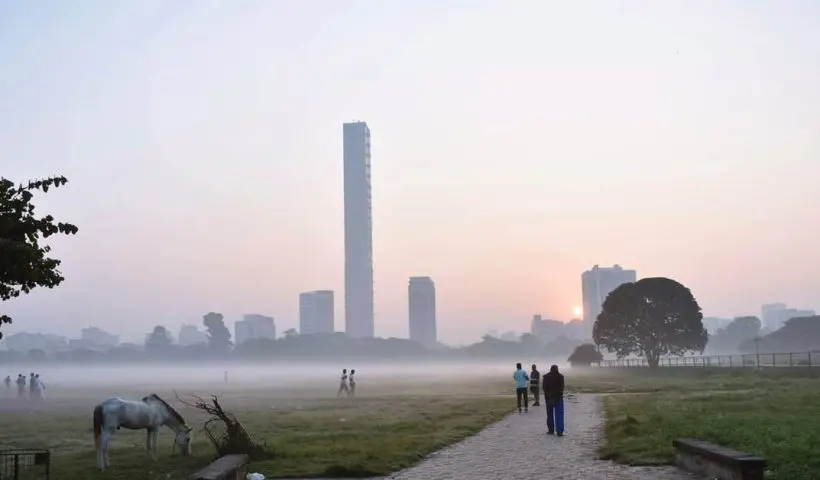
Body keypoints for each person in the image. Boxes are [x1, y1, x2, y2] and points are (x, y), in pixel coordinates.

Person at [542, 364, 565, 436]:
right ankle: (559, 431)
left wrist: (547, 396)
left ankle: (551, 430)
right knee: (559, 415)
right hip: (558, 398)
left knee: (550, 415)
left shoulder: (546, 377)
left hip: (549, 398)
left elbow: (544, 388)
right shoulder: (561, 377)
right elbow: (561, 388)